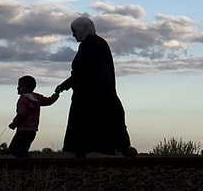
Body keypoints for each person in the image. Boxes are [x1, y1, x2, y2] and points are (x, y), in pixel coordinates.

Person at [54, 16, 138, 158]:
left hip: (89, 95)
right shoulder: (100, 43)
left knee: (83, 124)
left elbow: (84, 71)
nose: (73, 35)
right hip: (103, 92)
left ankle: (81, 151)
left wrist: (65, 85)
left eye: (74, 31)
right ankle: (121, 148)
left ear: (81, 29)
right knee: (110, 120)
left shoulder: (88, 45)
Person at [8, 75, 60, 158]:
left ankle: (26, 160)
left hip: (23, 130)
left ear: (28, 89)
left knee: (13, 148)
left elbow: (21, 114)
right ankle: (27, 162)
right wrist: (56, 94)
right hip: (32, 131)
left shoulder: (23, 99)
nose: (18, 88)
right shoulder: (36, 97)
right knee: (24, 149)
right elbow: (49, 101)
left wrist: (14, 123)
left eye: (20, 86)